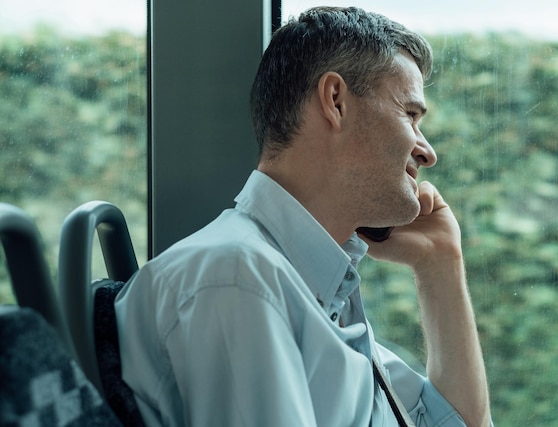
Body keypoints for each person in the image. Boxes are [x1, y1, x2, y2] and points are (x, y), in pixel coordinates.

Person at [115, 6, 492, 426]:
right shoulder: (238, 279)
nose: (428, 151)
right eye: (410, 114)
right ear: (335, 101)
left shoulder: (318, 288)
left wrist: (440, 263)